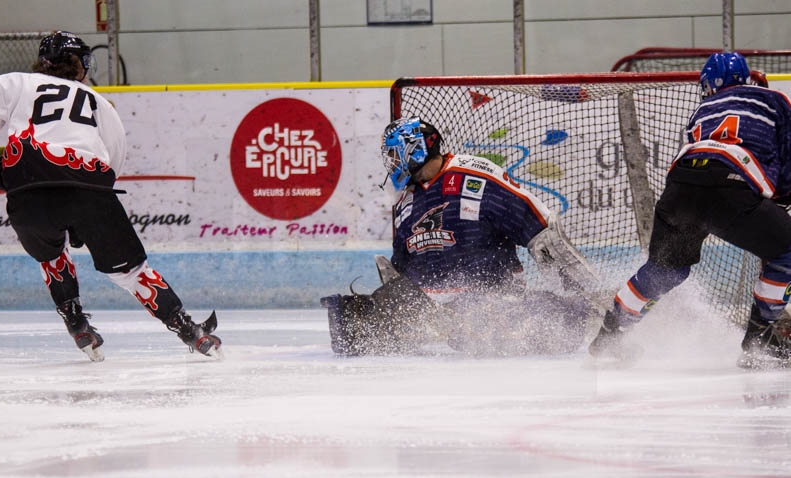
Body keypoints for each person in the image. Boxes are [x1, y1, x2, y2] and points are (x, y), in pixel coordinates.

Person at [0, 30, 222, 361]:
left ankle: (76, 321)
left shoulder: (16, 83)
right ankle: (190, 330)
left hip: (28, 188)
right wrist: (82, 208)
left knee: (50, 255)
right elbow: (110, 165)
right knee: (131, 272)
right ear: (81, 66)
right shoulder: (99, 102)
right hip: (90, 188)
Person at [321, 116, 602, 356]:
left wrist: (588, 296)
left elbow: (541, 233)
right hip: (436, 315)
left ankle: (578, 313)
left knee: (497, 325)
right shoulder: (405, 203)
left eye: (394, 155)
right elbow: (403, 271)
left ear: (414, 150)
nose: (391, 163)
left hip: (494, 303)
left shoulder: (476, 177)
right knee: (349, 324)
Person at [589, 51, 791, 369]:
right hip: (731, 185)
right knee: (787, 253)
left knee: (666, 270)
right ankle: (759, 338)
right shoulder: (772, 99)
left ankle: (609, 336)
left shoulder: (701, 111)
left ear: (709, 84)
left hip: (681, 186)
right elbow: (786, 156)